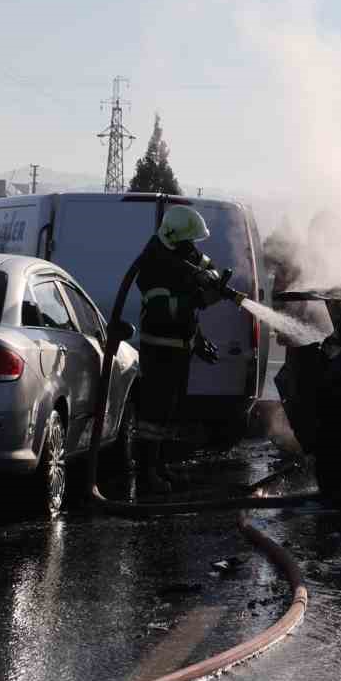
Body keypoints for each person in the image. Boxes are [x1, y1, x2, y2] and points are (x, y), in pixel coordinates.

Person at [136, 205, 235, 493]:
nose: (192, 246)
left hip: (180, 347)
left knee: (170, 412)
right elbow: (163, 311)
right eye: (188, 240)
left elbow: (206, 265)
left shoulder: (181, 250)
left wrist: (211, 277)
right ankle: (146, 474)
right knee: (153, 415)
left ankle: (161, 466)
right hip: (160, 349)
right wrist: (203, 298)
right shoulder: (152, 264)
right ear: (173, 237)